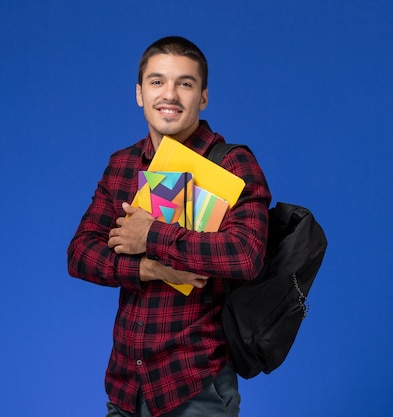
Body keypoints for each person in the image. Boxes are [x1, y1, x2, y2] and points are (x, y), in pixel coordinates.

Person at [67, 36, 271, 417]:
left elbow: (246, 255)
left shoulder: (233, 164)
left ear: (203, 97)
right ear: (139, 93)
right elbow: (80, 253)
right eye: (157, 82)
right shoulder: (123, 164)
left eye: (185, 83)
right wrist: (147, 268)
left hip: (195, 387)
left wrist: (151, 235)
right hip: (127, 385)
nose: (170, 95)